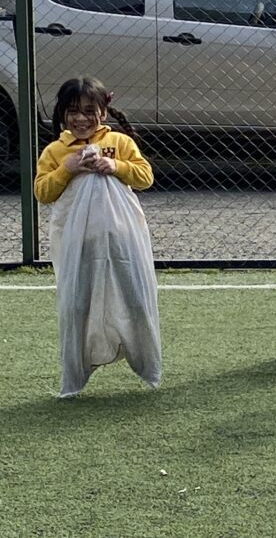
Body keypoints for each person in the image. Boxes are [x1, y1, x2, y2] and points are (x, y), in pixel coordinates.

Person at [34, 77, 160, 397]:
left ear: (103, 111)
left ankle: (148, 363)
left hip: (120, 240)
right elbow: (43, 192)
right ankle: (74, 374)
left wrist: (114, 164)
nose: (81, 118)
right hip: (78, 245)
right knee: (76, 305)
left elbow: (145, 176)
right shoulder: (56, 150)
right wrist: (68, 168)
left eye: (90, 110)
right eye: (73, 111)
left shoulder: (119, 142)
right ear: (62, 113)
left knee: (136, 299)